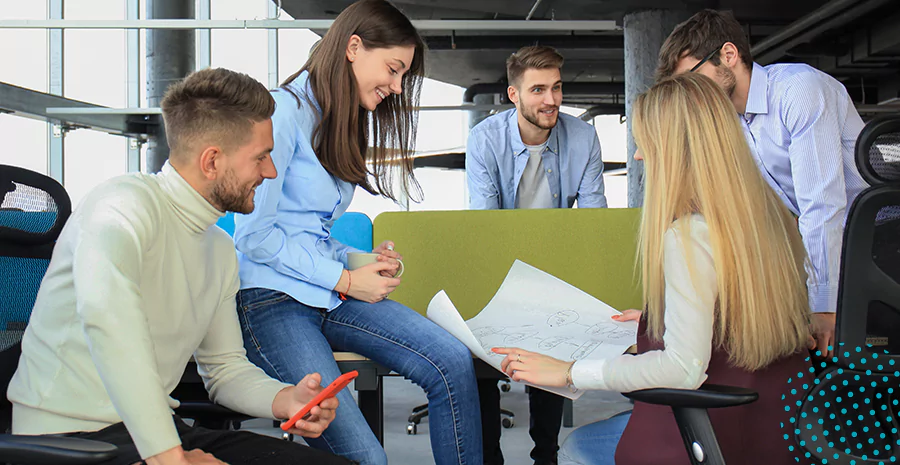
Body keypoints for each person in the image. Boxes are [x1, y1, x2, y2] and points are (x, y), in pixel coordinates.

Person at [7, 68, 351, 465]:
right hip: (64, 440)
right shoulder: (120, 207)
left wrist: (285, 399)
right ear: (211, 162)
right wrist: (168, 458)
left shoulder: (219, 249)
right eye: (261, 156)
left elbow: (225, 370)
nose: (271, 171)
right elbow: (107, 321)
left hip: (156, 431)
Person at [493, 73, 814, 465]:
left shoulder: (690, 234)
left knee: (578, 447)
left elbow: (682, 369)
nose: (640, 156)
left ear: (676, 150)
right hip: (780, 432)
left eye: (646, 143)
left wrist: (571, 372)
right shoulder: (772, 216)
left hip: (717, 435)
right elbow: (744, 310)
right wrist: (658, 320)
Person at [231, 1, 482, 464]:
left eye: (403, 74)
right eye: (393, 68)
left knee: (452, 362)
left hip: (327, 291)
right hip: (271, 301)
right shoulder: (281, 114)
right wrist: (346, 280)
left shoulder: (338, 118)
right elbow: (253, 237)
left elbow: (312, 234)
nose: (396, 85)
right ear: (353, 47)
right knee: (369, 460)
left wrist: (357, 260)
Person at [655, 9, 879, 358]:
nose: (692, 95)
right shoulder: (730, 124)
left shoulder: (798, 90)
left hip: (879, 238)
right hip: (836, 251)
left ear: (728, 56)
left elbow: (821, 207)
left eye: (693, 79)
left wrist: (825, 305)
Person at [465, 44, 607, 465]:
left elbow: (594, 220)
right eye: (539, 89)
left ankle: (546, 457)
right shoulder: (484, 139)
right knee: (482, 368)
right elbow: (485, 223)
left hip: (556, 266)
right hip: (496, 265)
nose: (551, 100)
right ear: (514, 95)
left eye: (557, 88)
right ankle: (490, 458)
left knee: (550, 365)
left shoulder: (582, 136)